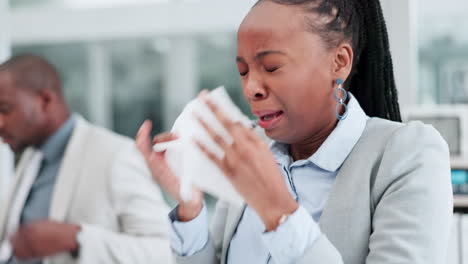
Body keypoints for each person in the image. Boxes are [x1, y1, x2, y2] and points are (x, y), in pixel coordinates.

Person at [136, 0, 453, 263]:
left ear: (339, 62)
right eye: (243, 72)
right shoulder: (252, 152)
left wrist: (279, 212)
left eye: (271, 66)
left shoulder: (408, 155)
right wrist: (191, 210)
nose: (251, 88)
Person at [0, 54, 173, 264]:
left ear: (45, 101)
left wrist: (76, 238)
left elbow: (164, 250)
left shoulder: (115, 155)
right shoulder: (31, 157)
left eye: (5, 109)